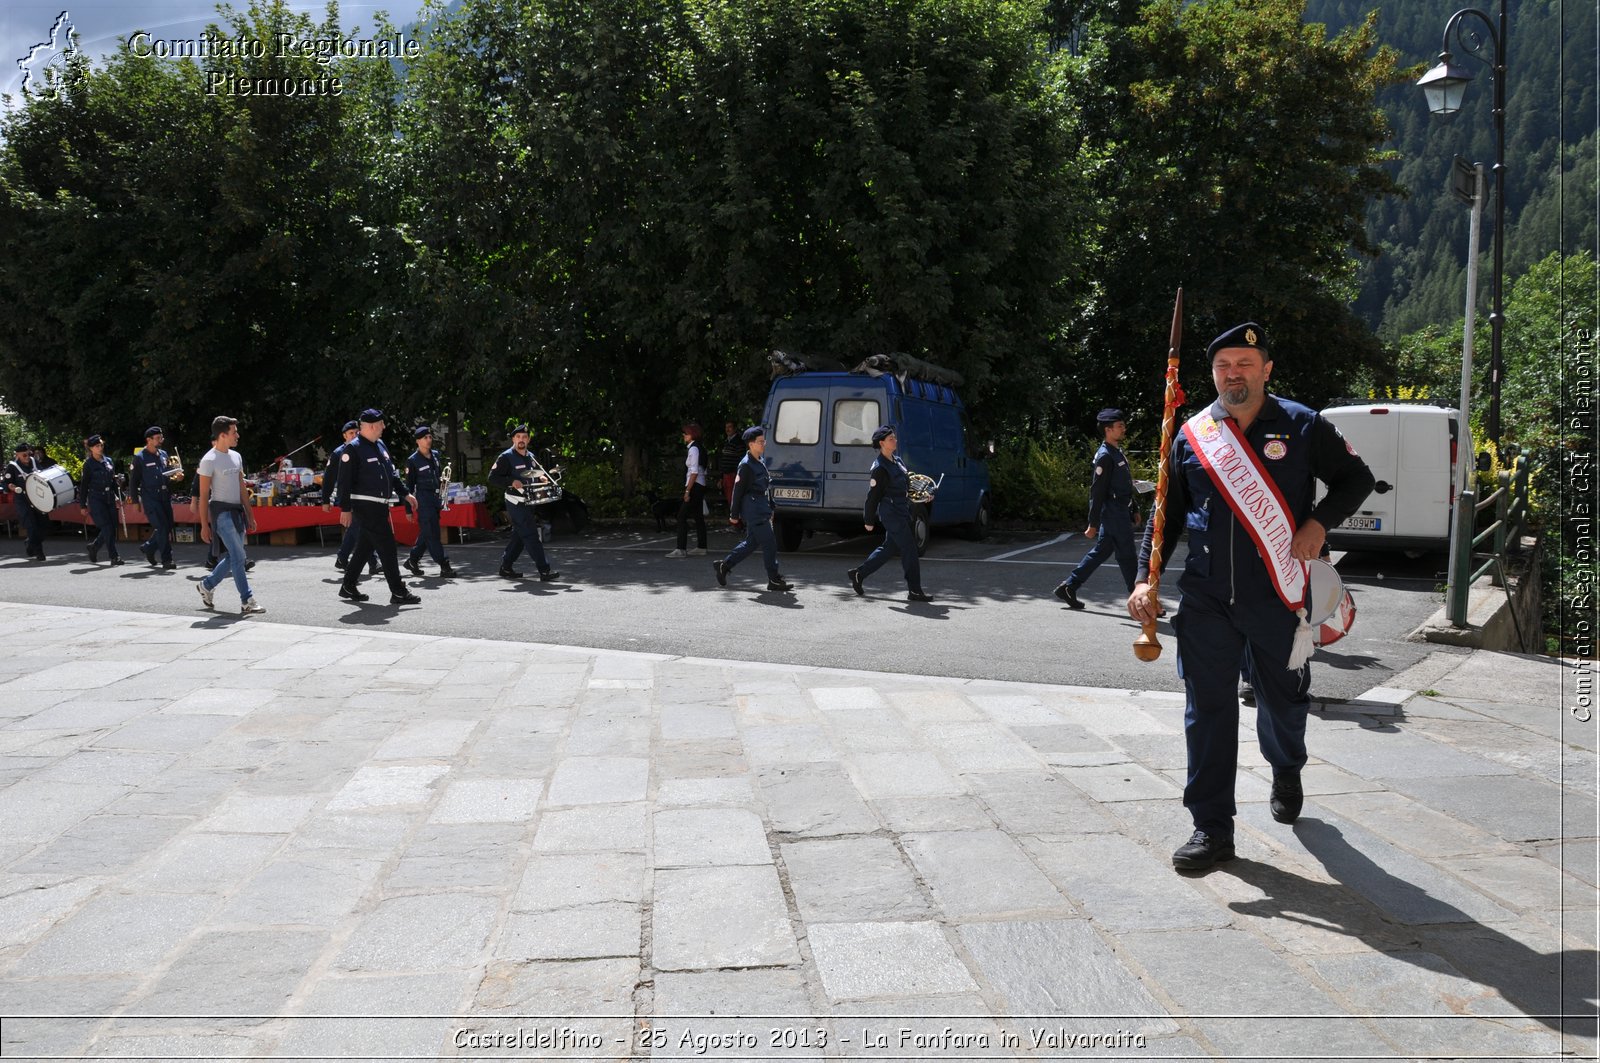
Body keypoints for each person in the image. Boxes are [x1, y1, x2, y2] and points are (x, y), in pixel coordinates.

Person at [1128, 322, 1374, 871]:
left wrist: (1318, 524)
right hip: (1207, 598)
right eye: (1223, 366)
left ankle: (1286, 765)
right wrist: (1146, 579)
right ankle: (1211, 828)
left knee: (1283, 702)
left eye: (1244, 363)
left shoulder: (1303, 424)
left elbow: (1357, 479)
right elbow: (1163, 514)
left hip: (1277, 597)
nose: (1232, 374)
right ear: (1213, 373)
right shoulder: (1192, 434)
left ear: (1266, 369)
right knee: (1207, 711)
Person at [334, 409, 421, 605]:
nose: (384, 427)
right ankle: (398, 591)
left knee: (365, 547)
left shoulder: (380, 445)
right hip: (365, 505)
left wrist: (405, 493)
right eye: (381, 424)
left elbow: (392, 473)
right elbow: (344, 482)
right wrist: (345, 508)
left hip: (380, 505)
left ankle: (348, 585)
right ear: (372, 425)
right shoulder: (353, 449)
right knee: (388, 546)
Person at [1055, 408, 1138, 609]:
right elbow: (1097, 492)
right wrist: (1093, 522)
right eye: (1120, 426)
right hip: (1113, 513)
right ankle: (1140, 600)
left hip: (1119, 511)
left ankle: (1070, 586)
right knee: (1128, 556)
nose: (1124, 429)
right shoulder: (1105, 456)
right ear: (1108, 430)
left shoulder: (1117, 452)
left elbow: (1125, 484)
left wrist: (1133, 507)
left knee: (1102, 552)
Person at [847, 425, 931, 602]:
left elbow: (907, 486)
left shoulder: (897, 461)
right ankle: (914, 590)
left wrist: (924, 495)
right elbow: (873, 497)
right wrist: (868, 519)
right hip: (891, 514)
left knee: (889, 548)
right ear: (882, 443)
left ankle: (859, 574)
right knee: (910, 549)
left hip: (902, 511)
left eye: (895, 437)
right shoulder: (880, 468)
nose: (895, 440)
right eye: (891, 438)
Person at [195, 415, 265, 615]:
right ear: (223, 435)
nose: (238, 436)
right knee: (238, 555)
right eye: (234, 432)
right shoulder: (209, 460)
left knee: (237, 555)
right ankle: (247, 600)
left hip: (237, 513)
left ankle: (207, 585)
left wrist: (250, 515)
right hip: (221, 513)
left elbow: (242, 488)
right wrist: (204, 525)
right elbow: (202, 495)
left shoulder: (236, 456)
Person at [713, 426, 791, 593]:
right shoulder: (746, 465)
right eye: (760, 442)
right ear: (751, 444)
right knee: (770, 543)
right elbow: (737, 491)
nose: (764, 444)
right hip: (753, 509)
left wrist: (772, 507)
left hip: (761, 507)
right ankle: (774, 579)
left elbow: (766, 487)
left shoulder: (760, 461)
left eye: (764, 441)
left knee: (751, 543)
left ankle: (724, 566)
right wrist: (734, 515)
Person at [487, 425, 560, 582]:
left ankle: (506, 567)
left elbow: (534, 474)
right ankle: (544, 570)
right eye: (518, 437)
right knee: (531, 535)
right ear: (513, 439)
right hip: (515, 501)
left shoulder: (531, 456)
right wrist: (510, 481)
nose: (521, 440)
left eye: (524, 437)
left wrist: (541, 478)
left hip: (529, 501)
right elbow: (492, 478)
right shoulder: (505, 457)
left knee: (520, 536)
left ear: (528, 439)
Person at [322, 420, 376, 575]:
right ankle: (373, 561)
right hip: (348, 496)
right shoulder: (338, 453)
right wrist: (326, 500)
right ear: (344, 436)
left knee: (357, 527)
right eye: (350, 433)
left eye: (356, 432)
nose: (354, 435)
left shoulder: (363, 449)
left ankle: (343, 557)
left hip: (363, 495)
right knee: (360, 527)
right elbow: (329, 478)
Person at [404, 425, 454, 578]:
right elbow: (408, 487)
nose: (429, 440)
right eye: (425, 438)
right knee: (432, 533)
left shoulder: (436, 455)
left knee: (427, 531)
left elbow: (439, 477)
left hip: (435, 498)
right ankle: (444, 564)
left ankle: (412, 560)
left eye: (430, 437)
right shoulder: (412, 461)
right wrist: (408, 509)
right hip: (423, 499)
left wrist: (444, 487)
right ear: (418, 441)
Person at [129, 426, 182, 569]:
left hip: (165, 495)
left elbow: (167, 475)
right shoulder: (140, 458)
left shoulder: (163, 454)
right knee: (162, 526)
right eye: (158, 438)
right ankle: (167, 559)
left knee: (168, 525)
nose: (161, 440)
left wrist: (176, 478)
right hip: (150, 497)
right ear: (149, 440)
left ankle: (149, 547)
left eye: (161, 437)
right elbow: (133, 481)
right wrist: (135, 501)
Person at [76, 434, 123, 566]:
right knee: (107, 527)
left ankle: (94, 547)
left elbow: (113, 481)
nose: (100, 447)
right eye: (97, 446)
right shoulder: (89, 464)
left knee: (112, 527)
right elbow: (84, 485)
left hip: (109, 497)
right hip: (96, 498)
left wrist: (121, 497)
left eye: (101, 445)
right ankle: (114, 556)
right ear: (91, 448)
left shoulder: (108, 460)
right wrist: (83, 505)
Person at [666, 422, 709, 558]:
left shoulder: (693, 449)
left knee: (681, 515)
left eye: (686, 433)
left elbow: (694, 472)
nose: (684, 435)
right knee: (698, 516)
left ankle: (681, 548)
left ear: (692, 434)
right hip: (699, 484)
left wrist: (687, 491)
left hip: (695, 485)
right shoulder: (699, 448)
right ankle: (701, 546)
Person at [5, 441, 44, 560]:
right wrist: (12, 487)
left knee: (44, 526)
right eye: (24, 455)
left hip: (37, 499)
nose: (27, 457)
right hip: (23, 500)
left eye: (29, 454)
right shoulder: (12, 466)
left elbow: (43, 475)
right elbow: (7, 483)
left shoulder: (33, 462)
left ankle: (29, 543)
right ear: (17, 455)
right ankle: (39, 552)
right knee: (32, 527)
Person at [716, 420, 743, 509]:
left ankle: (737, 521)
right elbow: (723, 461)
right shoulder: (726, 442)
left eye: (730, 427)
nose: (727, 429)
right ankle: (734, 520)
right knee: (729, 499)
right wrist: (721, 477)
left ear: (735, 428)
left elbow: (741, 460)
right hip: (726, 475)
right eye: (726, 427)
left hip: (733, 475)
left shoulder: (739, 442)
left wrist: (737, 475)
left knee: (734, 499)